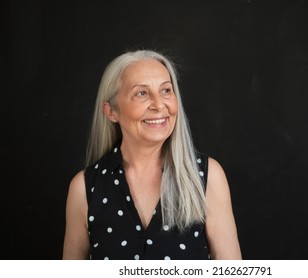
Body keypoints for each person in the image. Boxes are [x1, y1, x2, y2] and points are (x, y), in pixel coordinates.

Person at [62, 50, 241, 260]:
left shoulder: (208, 177)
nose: (158, 105)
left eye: (166, 90)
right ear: (111, 111)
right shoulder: (84, 189)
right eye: (142, 93)